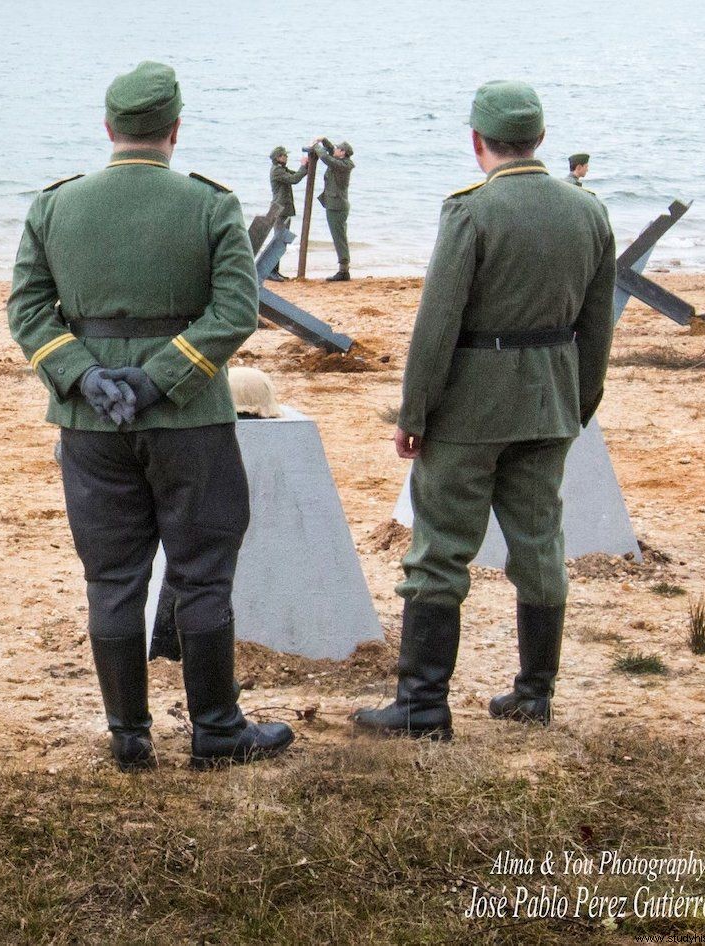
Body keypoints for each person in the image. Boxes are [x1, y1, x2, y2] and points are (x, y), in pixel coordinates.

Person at [8, 60, 294, 771]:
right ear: (174, 129)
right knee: (200, 574)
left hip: (91, 422)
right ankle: (216, 733)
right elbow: (235, 312)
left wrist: (85, 376)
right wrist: (161, 380)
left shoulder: (55, 205)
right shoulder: (211, 205)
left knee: (111, 579)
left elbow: (26, 311)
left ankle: (129, 738)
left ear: (109, 129)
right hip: (189, 419)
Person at [353, 81, 616, 740]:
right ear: (541, 139)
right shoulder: (588, 212)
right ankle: (534, 695)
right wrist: (579, 402)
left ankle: (422, 706)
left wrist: (414, 411)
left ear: (477, 142)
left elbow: (436, 322)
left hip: (471, 409)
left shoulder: (471, 212)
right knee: (540, 545)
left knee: (440, 549)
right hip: (551, 400)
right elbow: (598, 324)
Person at [311, 138, 355, 281]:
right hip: (335, 205)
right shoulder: (341, 161)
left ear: (343, 153)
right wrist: (324, 140)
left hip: (337, 206)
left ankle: (343, 270)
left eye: (338, 149)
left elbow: (326, 157)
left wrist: (316, 146)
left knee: (339, 238)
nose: (335, 150)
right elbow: (330, 152)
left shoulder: (342, 165)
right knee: (339, 236)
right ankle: (344, 269)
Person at [265, 146, 310, 281]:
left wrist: (306, 166)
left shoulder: (281, 169)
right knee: (278, 240)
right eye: (284, 155)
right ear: (278, 157)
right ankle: (271, 271)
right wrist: (303, 166)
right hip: (279, 210)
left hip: (284, 209)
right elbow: (294, 179)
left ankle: (275, 270)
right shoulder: (277, 171)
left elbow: (296, 175)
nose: (286, 157)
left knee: (282, 241)